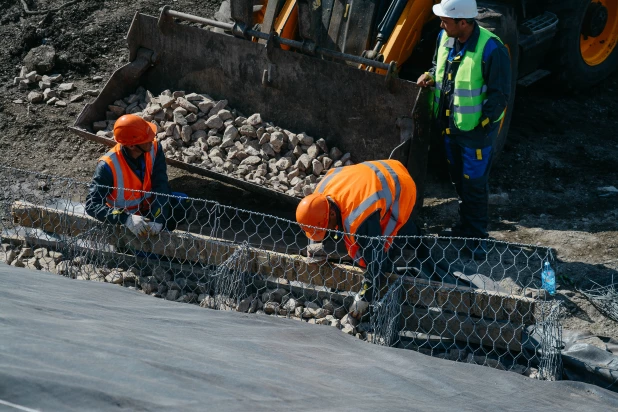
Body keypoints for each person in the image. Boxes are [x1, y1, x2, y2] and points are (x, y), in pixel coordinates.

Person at [417, 0, 511, 258]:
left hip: (475, 134)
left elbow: (499, 96)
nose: (441, 24)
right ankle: (464, 227)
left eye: (446, 20)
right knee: (459, 181)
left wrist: (483, 126)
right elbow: (441, 69)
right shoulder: (444, 38)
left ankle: (477, 237)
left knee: (475, 185)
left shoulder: (492, 49)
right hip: (450, 128)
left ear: (464, 22)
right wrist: (429, 76)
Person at [296, 159, 418, 319]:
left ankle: (418, 251)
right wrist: (316, 247)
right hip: (382, 170)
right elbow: (317, 223)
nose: (325, 233)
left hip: (401, 186)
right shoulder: (320, 194)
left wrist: (364, 297)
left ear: (332, 214)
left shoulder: (360, 217)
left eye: (325, 228)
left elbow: (376, 260)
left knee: (388, 247)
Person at [85, 114, 190, 237]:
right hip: (129, 219)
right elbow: (92, 205)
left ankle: (161, 233)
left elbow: (161, 185)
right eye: (147, 138)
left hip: (150, 207)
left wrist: (158, 219)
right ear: (131, 145)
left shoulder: (154, 148)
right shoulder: (107, 166)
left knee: (182, 201)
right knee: (148, 254)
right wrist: (125, 219)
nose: (152, 138)